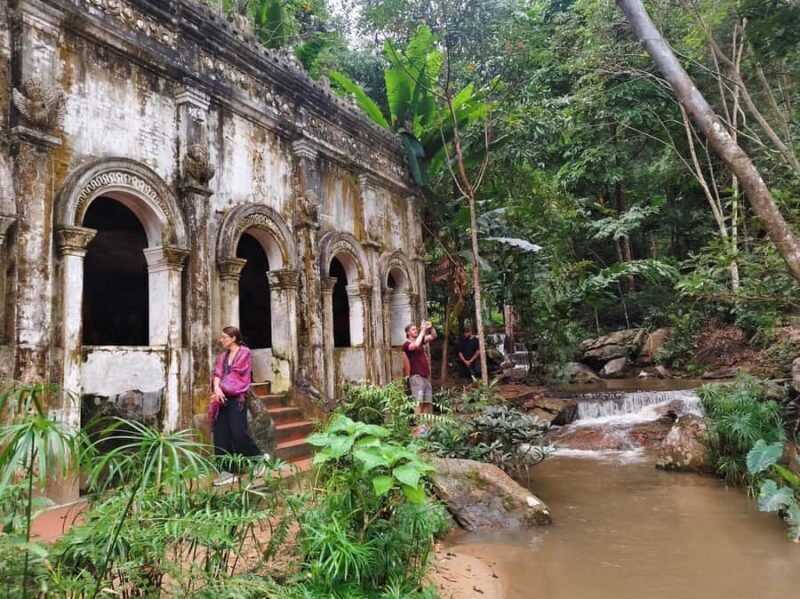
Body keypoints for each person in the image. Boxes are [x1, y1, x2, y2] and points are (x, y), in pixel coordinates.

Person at [209, 326, 269, 486]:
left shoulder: (244, 352)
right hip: (220, 399)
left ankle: (258, 459)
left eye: (224, 337)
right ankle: (227, 471)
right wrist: (216, 389)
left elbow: (237, 374)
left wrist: (219, 388)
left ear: (233, 337)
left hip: (236, 399)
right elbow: (217, 374)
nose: (221, 340)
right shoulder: (222, 356)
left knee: (238, 432)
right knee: (220, 435)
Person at [402, 321, 436, 421]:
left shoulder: (420, 340)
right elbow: (415, 346)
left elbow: (434, 336)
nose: (415, 330)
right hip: (416, 377)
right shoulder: (406, 344)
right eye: (413, 329)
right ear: (408, 332)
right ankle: (419, 427)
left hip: (425, 376)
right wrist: (422, 331)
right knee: (418, 403)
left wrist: (431, 327)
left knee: (426, 402)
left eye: (416, 329)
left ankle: (424, 429)